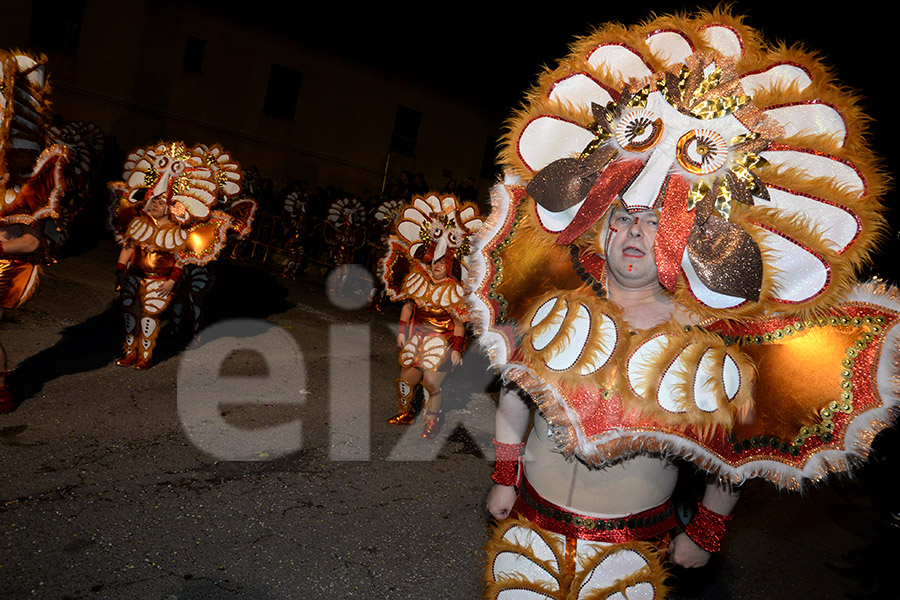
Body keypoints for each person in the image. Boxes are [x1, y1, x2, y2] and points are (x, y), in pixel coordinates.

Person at [470, 10, 899, 598]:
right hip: (529, 527)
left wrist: (707, 530)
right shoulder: (554, 303)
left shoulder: (712, 344)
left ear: (688, 233)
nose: (633, 234)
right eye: (622, 219)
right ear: (603, 225)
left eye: (651, 223)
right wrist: (503, 473)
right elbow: (517, 394)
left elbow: (734, 452)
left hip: (631, 550)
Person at [381, 193, 482, 438]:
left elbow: (460, 323)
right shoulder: (419, 282)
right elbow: (407, 307)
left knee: (431, 385)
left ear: (450, 266)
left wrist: (457, 348)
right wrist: (403, 332)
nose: (436, 266)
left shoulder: (455, 291)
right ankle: (406, 414)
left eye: (441, 263)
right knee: (407, 379)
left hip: (443, 344)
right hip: (417, 340)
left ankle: (431, 423)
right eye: (434, 262)